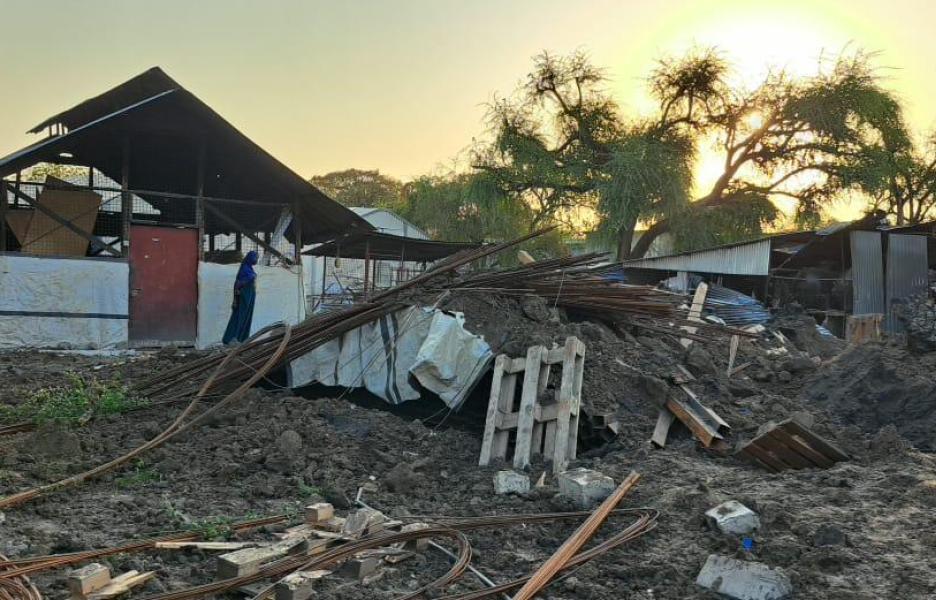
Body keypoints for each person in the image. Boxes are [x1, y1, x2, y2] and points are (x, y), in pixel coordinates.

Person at [222, 250, 259, 345]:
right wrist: (236, 297)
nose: (256, 260)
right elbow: (238, 283)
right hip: (244, 297)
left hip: (249, 297)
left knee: (246, 317)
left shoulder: (250, 268)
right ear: (249, 258)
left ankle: (242, 338)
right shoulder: (244, 268)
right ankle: (232, 338)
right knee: (239, 317)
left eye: (257, 258)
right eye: (255, 257)